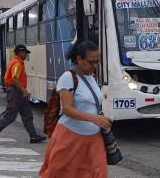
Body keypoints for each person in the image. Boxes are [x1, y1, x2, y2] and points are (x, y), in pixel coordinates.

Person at [40, 41, 112, 178]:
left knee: (99, 172)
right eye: (91, 62)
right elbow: (67, 109)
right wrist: (95, 118)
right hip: (70, 137)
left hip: (94, 138)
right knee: (63, 173)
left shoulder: (92, 77)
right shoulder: (68, 77)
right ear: (79, 59)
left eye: (97, 62)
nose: (94, 66)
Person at [0, 44, 46, 145]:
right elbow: (14, 79)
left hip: (18, 92)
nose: (26, 55)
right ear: (20, 53)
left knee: (27, 114)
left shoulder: (18, 62)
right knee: (11, 115)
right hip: (15, 92)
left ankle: (33, 136)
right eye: (24, 53)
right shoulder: (17, 63)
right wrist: (24, 91)